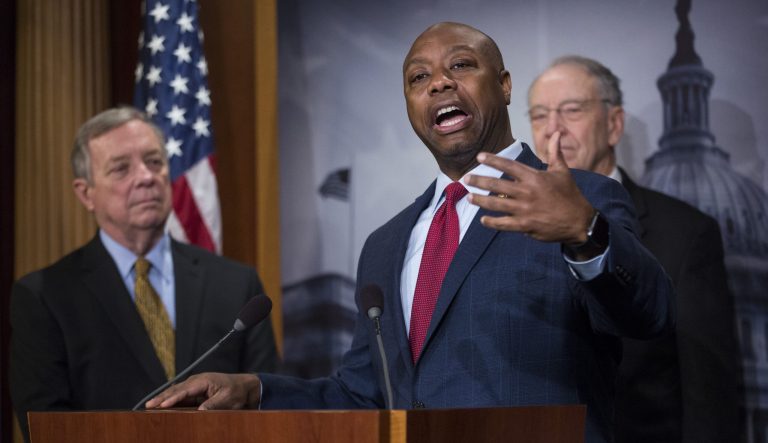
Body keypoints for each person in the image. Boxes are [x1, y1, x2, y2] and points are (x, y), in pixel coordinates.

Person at [146, 23, 674, 443]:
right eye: (418, 78)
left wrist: (583, 230)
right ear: (410, 108)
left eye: (460, 66)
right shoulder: (387, 242)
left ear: (505, 85)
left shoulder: (581, 198)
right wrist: (255, 392)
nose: (439, 83)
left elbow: (647, 313)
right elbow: (361, 394)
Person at [9, 107, 279, 441]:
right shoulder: (44, 296)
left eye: (154, 162)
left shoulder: (237, 285)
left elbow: (269, 402)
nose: (146, 177)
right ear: (85, 192)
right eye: (121, 168)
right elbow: (48, 426)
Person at [527, 55, 739, 442]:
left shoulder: (687, 234)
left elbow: (708, 398)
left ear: (614, 124)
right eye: (539, 115)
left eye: (571, 110)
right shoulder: (503, 227)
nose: (552, 130)